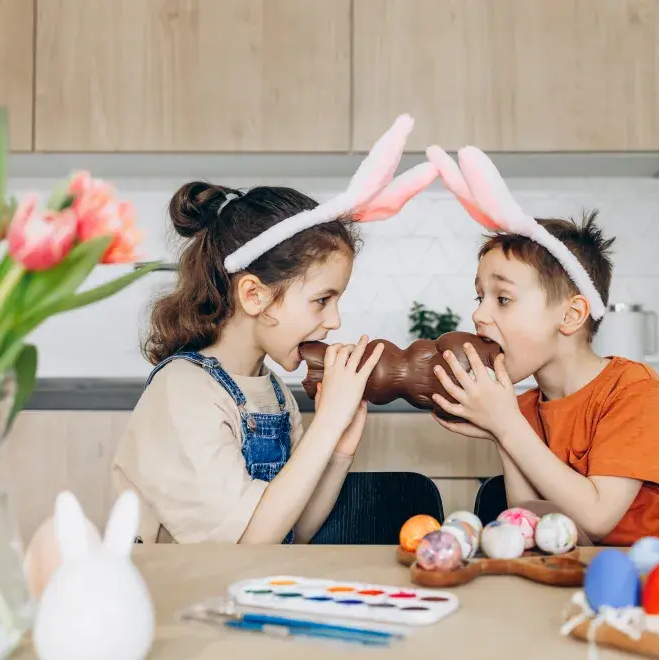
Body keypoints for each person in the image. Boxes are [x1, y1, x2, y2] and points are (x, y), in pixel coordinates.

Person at [111, 115, 437, 544]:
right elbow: (246, 546)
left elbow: (294, 530)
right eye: (322, 300)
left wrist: (338, 449)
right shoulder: (183, 392)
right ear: (254, 296)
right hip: (179, 602)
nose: (334, 320)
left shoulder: (275, 391)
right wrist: (325, 427)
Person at [424, 145, 659, 547]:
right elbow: (529, 523)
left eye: (502, 299)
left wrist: (507, 427)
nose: (479, 315)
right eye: (480, 298)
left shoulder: (632, 390)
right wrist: (501, 430)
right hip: (581, 578)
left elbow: (596, 518)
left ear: (572, 315)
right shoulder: (523, 408)